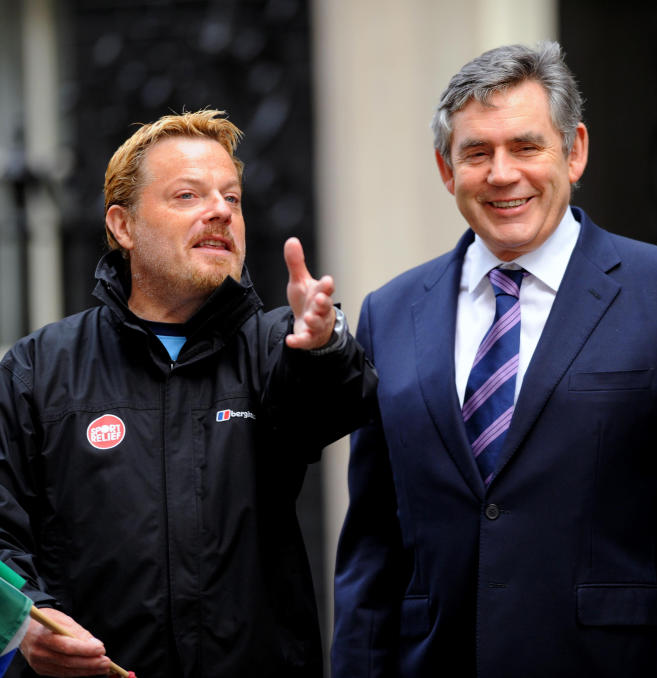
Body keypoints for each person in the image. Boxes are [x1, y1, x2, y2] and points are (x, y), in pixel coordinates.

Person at [332, 42, 657, 677]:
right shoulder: (390, 314)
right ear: (447, 171)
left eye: (526, 147)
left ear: (574, 150)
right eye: (477, 153)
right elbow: (372, 543)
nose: (502, 174)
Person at [0, 110, 377, 677]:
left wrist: (324, 344)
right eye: (187, 195)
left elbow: (335, 402)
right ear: (123, 226)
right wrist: (29, 625)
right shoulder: (38, 368)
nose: (221, 211)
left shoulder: (276, 345)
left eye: (232, 197)